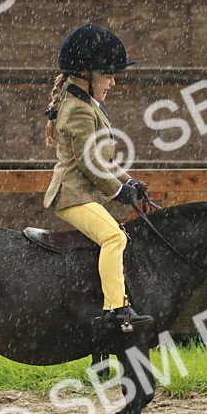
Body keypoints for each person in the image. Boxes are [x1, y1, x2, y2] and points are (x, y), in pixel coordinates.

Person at [43, 24, 153, 333]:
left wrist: (129, 181)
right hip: (71, 196)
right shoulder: (78, 111)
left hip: (83, 194)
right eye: (108, 76)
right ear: (87, 76)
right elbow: (90, 165)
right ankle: (115, 311)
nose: (113, 83)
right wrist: (118, 191)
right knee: (114, 237)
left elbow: (103, 160)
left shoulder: (88, 106)